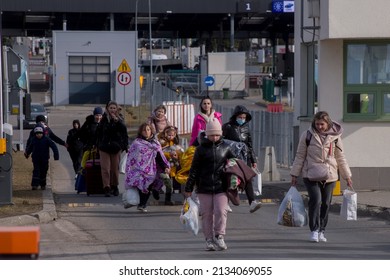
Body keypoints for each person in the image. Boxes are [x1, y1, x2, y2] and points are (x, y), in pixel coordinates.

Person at [290, 111, 353, 243]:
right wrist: (294, 174)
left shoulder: (335, 137)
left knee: (326, 203)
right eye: (317, 124)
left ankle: (322, 230)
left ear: (328, 123)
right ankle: (314, 230)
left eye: (322, 124)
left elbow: (340, 157)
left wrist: (347, 176)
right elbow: (300, 155)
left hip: (329, 176)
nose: (319, 127)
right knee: (316, 200)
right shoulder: (307, 135)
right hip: (310, 174)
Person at [185, 119, 237, 251]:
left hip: (221, 186)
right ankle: (208, 239)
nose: (214, 137)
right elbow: (194, 169)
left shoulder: (226, 147)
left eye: (217, 135)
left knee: (221, 211)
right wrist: (189, 187)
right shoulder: (200, 149)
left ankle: (219, 236)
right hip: (204, 187)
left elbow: (235, 162)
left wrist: (233, 172)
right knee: (207, 214)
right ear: (206, 134)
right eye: (212, 135)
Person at [222, 105, 262, 213]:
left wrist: (253, 160)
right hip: (232, 158)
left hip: (245, 157)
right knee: (230, 179)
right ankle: (225, 203)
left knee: (248, 178)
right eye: (240, 117)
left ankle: (252, 202)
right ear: (235, 116)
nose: (242, 119)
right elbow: (222, 142)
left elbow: (249, 145)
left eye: (244, 117)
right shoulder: (228, 127)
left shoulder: (246, 129)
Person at [125, 123, 170, 212]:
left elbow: (159, 157)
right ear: (141, 132)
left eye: (148, 130)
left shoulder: (155, 143)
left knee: (147, 187)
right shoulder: (137, 143)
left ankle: (143, 204)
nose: (146, 132)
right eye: (144, 130)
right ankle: (140, 203)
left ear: (151, 131)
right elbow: (131, 156)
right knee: (140, 186)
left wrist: (165, 167)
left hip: (151, 170)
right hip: (138, 169)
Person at [96, 101, 129, 197]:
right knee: (105, 168)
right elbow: (98, 133)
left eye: (114, 108)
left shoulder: (120, 119)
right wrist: (98, 145)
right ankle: (106, 187)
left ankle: (115, 186)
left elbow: (124, 132)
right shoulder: (103, 119)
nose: (112, 110)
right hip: (104, 147)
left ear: (117, 109)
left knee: (114, 169)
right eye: (111, 108)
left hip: (115, 147)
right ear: (107, 109)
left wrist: (124, 146)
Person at [24, 126, 59, 190]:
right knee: (36, 171)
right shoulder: (33, 140)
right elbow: (30, 148)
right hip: (36, 158)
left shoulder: (47, 139)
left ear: (43, 133)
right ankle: (35, 185)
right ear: (35, 134)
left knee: (44, 171)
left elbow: (54, 147)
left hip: (44, 158)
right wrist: (27, 154)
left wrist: (56, 156)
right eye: (37, 134)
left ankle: (43, 184)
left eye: (40, 133)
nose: (39, 135)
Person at [158, 125, 184, 205]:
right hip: (165, 166)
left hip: (174, 167)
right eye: (169, 135)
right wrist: (169, 155)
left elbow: (181, 153)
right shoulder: (162, 144)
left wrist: (177, 154)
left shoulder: (176, 144)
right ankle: (164, 197)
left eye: (172, 135)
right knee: (167, 183)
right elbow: (160, 154)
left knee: (172, 183)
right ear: (165, 134)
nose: (171, 137)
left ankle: (170, 199)